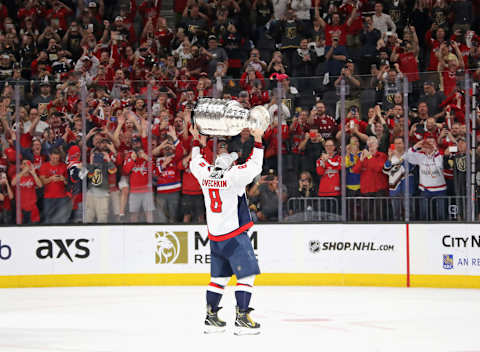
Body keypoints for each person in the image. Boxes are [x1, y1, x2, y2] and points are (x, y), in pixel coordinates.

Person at [189, 124, 264, 336]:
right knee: (247, 277)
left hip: (215, 238)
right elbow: (255, 165)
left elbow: (195, 162)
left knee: (218, 279)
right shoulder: (233, 177)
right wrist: (258, 141)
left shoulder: (205, 175)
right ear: (229, 166)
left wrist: (197, 141)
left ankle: (210, 319)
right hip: (234, 236)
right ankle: (242, 319)